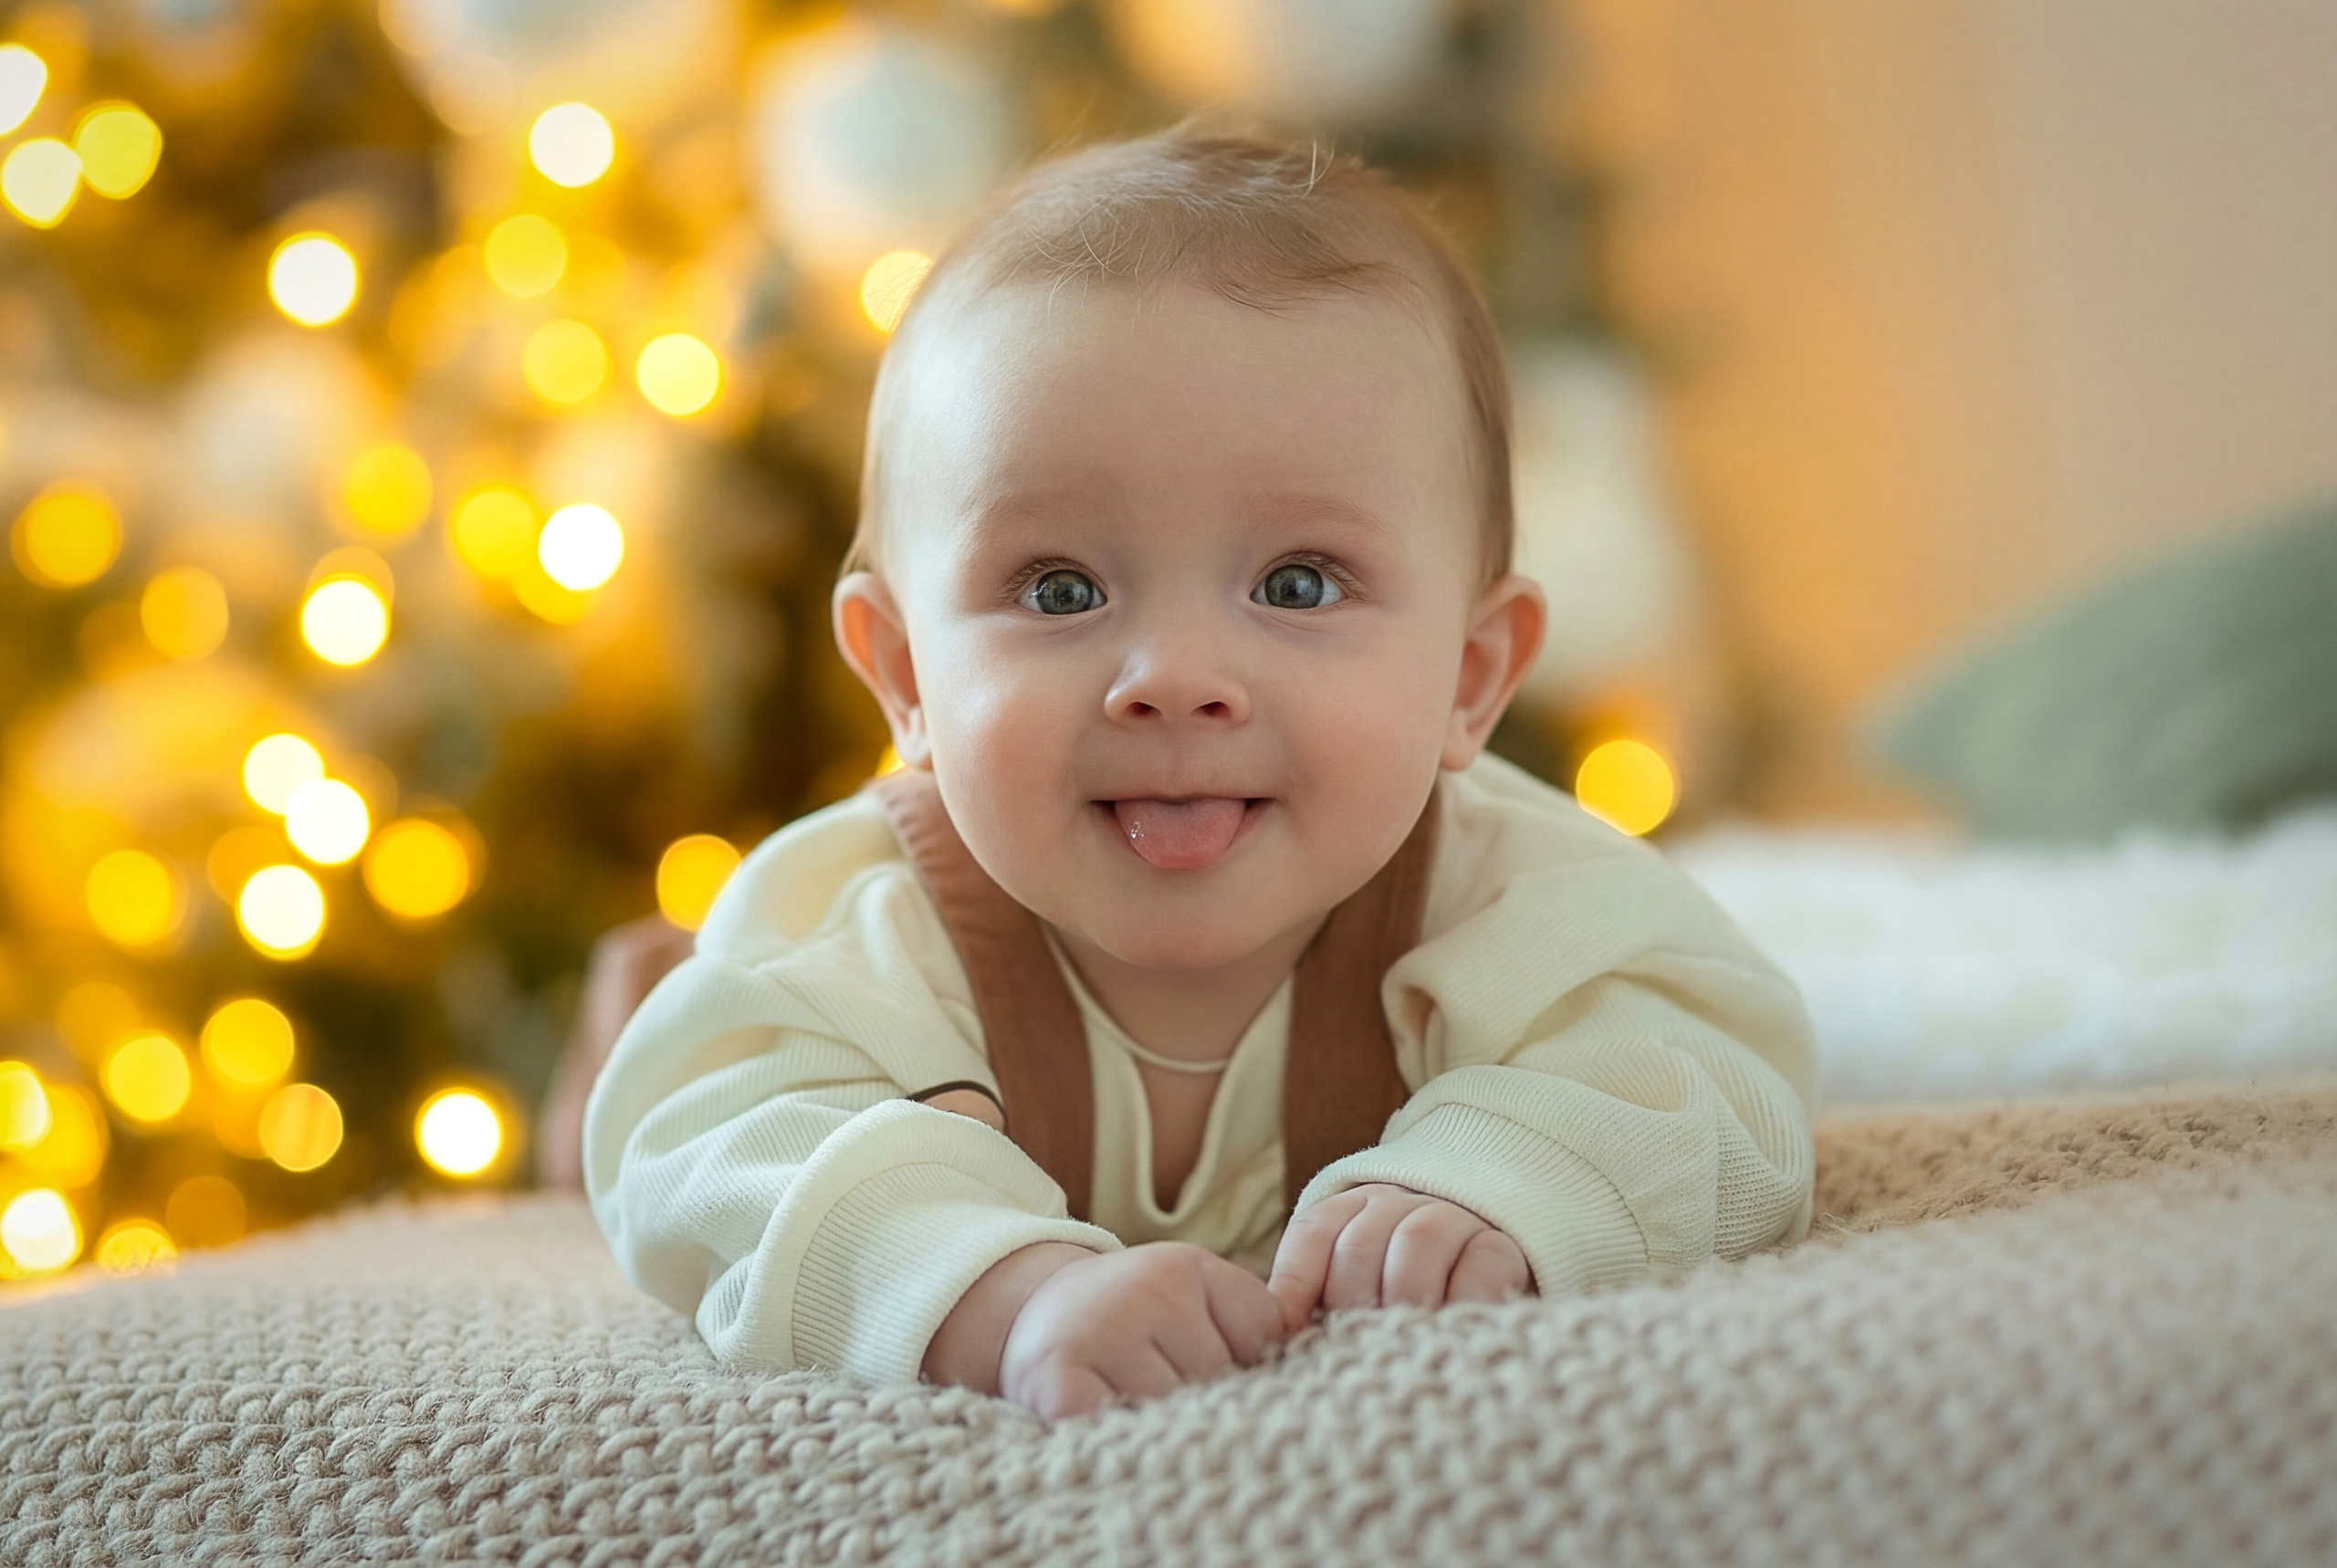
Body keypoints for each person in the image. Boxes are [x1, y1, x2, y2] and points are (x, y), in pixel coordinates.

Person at [582, 129, 1817, 1422]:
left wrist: (1498, 1179)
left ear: (1468, 676)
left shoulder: (1508, 895)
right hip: (796, 999)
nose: (1175, 675)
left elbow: (1718, 1072)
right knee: (678, 1030)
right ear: (901, 672)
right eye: (1061, 589)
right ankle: (635, 986)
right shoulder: (868, 921)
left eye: (1297, 583)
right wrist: (999, 1289)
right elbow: (705, 1141)